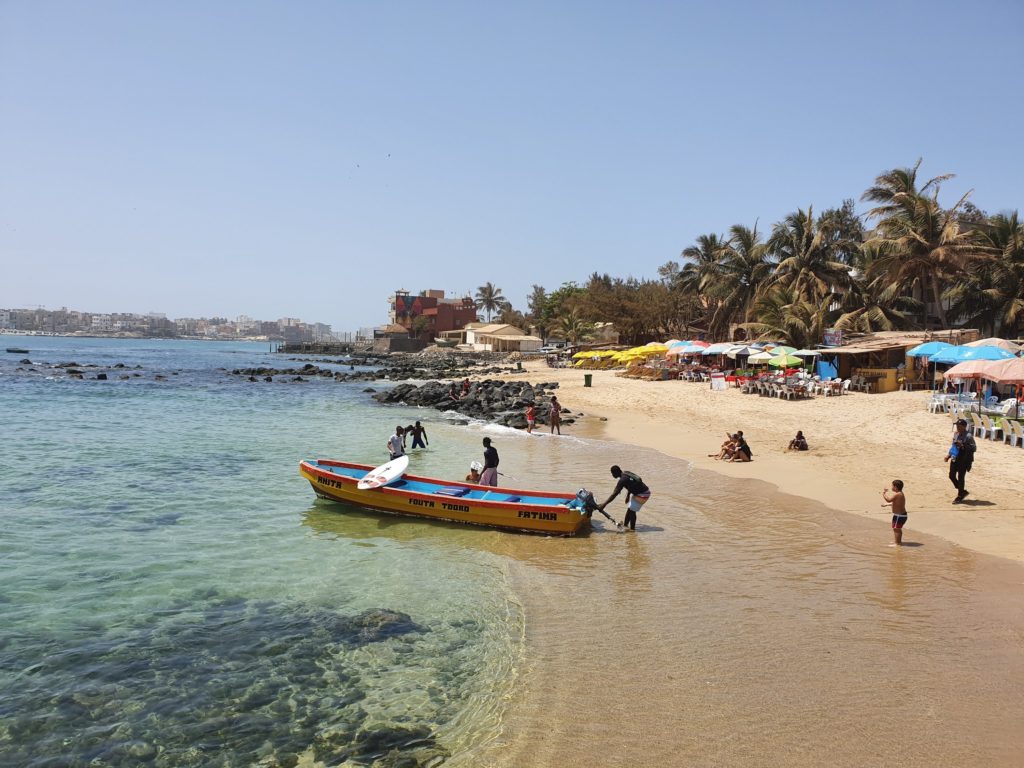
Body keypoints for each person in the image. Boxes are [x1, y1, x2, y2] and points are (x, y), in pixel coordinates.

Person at [597, 465, 651, 531]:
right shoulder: (625, 473)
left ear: (616, 472)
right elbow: (632, 483)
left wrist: (604, 504)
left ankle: (632, 530)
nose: (612, 475)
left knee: (632, 511)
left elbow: (614, 494)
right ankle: (625, 526)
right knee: (630, 509)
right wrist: (628, 495)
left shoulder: (622, 480)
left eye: (612, 473)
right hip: (642, 492)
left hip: (643, 494)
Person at [945, 418, 977, 504]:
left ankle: (960, 495)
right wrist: (948, 455)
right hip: (955, 457)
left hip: (964, 459)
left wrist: (963, 445)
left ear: (964, 427)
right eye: (956, 426)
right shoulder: (956, 434)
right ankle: (962, 490)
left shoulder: (968, 436)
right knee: (951, 476)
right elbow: (953, 446)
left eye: (959, 426)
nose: (957, 427)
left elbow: (974, 448)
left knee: (961, 477)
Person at [881, 479, 907, 546]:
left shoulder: (898, 494)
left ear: (895, 487)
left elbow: (889, 500)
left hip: (900, 516)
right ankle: (897, 541)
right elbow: (897, 504)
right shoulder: (900, 494)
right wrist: (887, 504)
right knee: (896, 529)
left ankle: (898, 543)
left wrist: (884, 493)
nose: (891, 487)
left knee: (896, 529)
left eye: (892, 486)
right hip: (899, 515)